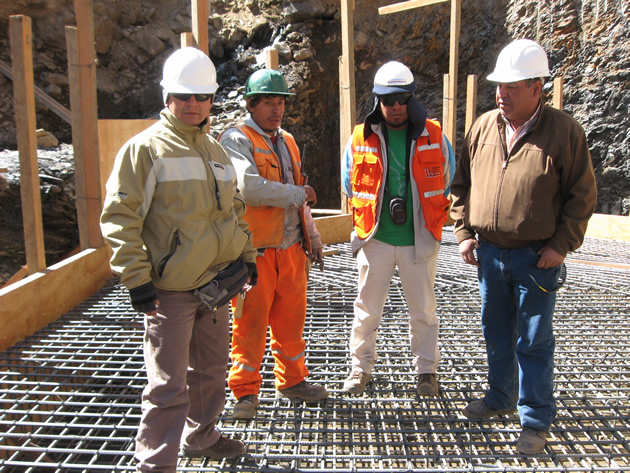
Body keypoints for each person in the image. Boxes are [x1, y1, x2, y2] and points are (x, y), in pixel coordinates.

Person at [100, 47, 257, 472]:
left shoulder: (216, 151)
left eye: (201, 96)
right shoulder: (145, 149)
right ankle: (156, 465)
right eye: (183, 95)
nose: (192, 103)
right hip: (169, 292)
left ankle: (201, 437)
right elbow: (119, 218)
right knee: (168, 386)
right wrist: (136, 279)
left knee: (210, 373)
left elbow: (234, 212)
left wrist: (247, 256)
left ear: (211, 99)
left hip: (217, 284)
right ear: (167, 95)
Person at [450, 39, 597, 454]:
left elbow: (582, 196)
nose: (502, 94)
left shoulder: (565, 132)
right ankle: (500, 397)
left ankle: (534, 421)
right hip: (490, 254)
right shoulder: (483, 127)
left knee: (533, 340)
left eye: (512, 87)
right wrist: (464, 233)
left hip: (537, 257)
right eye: (500, 86)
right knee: (496, 333)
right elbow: (461, 185)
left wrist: (561, 246)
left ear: (537, 87)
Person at [340, 61, 455, 397]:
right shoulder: (360, 137)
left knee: (424, 311)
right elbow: (349, 182)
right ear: (378, 100)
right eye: (387, 100)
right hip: (375, 238)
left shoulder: (433, 135)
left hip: (418, 239)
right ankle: (360, 369)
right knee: (366, 310)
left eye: (401, 99)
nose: (394, 106)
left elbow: (447, 178)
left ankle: (426, 372)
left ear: (411, 97)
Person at [219, 68, 328, 420]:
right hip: (256, 255)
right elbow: (248, 188)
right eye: (268, 102)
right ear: (251, 104)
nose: (276, 109)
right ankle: (245, 393)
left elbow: (301, 198)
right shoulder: (237, 139)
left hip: (292, 251)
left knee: (291, 323)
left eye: (280, 102)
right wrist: (297, 194)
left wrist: (312, 236)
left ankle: (293, 381)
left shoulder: (288, 141)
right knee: (250, 326)